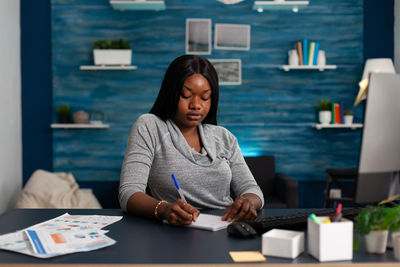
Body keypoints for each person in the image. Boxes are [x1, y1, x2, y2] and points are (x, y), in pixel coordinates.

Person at [119, 55, 264, 226]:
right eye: (186, 95)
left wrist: (248, 203)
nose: (196, 105)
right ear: (171, 93)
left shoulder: (224, 137)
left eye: (204, 98)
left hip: (226, 227)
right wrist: (164, 209)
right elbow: (129, 192)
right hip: (173, 230)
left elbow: (252, 189)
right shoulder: (150, 126)